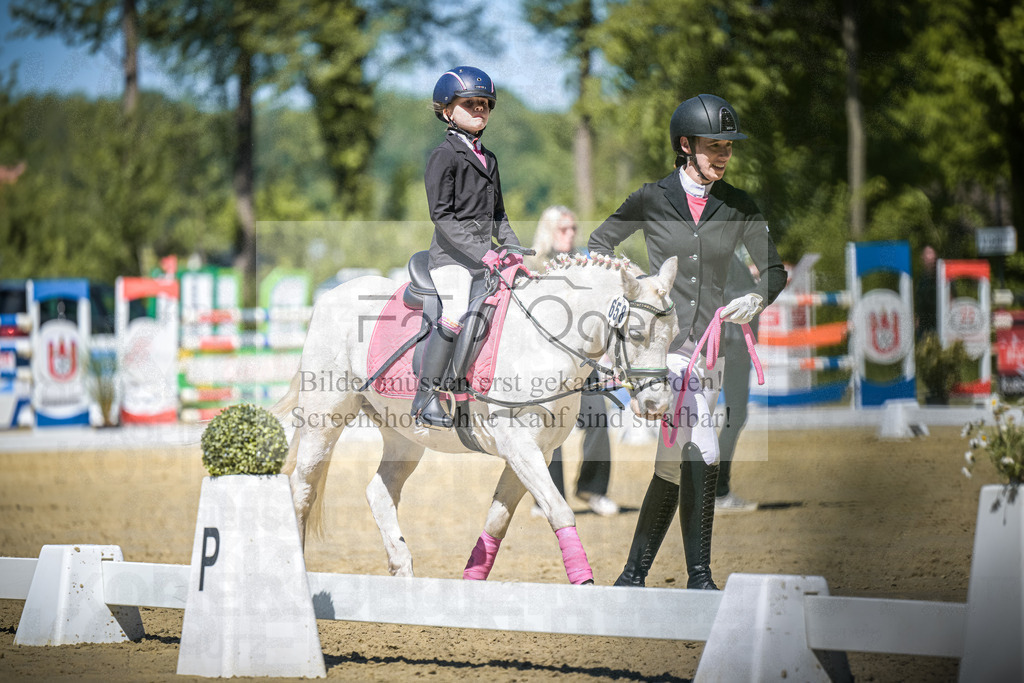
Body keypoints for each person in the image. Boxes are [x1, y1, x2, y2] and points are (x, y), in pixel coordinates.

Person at [589, 94, 787, 589]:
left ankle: (632, 577)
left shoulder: (739, 206)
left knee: (672, 466)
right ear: (685, 145)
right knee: (702, 448)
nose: (723, 154)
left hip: (711, 350)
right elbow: (599, 245)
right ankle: (700, 578)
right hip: (662, 352)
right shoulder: (651, 198)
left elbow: (775, 270)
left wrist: (757, 299)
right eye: (713, 146)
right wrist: (636, 288)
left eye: (728, 147)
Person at [412, 66, 522, 430]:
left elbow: (499, 214)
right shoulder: (443, 155)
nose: (480, 110)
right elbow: (441, 217)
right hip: (451, 260)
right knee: (457, 309)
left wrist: (512, 246)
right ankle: (426, 396)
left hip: (484, 260)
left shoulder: (489, 159)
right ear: (447, 111)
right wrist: (483, 252)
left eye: (485, 105)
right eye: (470, 104)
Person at [528, 206, 619, 517]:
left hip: (583, 364)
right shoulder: (533, 266)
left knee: (597, 420)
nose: (570, 234)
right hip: (545, 362)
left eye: (573, 228)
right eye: (563, 229)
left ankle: (592, 489)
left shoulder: (584, 265)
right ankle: (547, 498)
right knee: (549, 429)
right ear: (549, 231)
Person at [714, 252, 760, 512]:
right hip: (733, 341)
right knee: (736, 414)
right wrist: (757, 288)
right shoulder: (725, 252)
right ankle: (719, 489)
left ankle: (713, 489)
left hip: (722, 341)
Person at [914, 244, 938, 341]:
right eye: (927, 254)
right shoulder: (921, 280)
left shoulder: (941, 278)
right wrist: (917, 318)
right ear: (922, 258)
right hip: (924, 326)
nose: (930, 258)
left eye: (932, 254)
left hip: (938, 322)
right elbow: (919, 301)